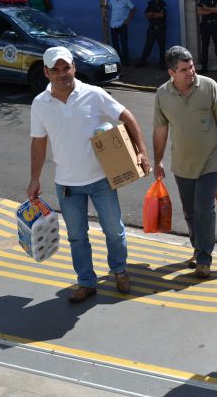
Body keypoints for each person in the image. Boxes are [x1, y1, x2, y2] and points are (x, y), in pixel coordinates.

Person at [27, 46, 151, 303]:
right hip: (67, 185)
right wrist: (35, 178)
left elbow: (127, 116)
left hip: (101, 180)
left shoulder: (93, 94)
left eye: (66, 68)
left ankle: (119, 271)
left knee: (114, 232)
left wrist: (142, 152)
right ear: (46, 72)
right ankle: (86, 282)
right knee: (77, 237)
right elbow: (39, 143)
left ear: (74, 67)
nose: (62, 74)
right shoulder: (40, 104)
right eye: (56, 70)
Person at [153, 46, 217, 278]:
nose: (190, 72)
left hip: (210, 161)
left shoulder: (209, 86)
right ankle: (197, 247)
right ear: (171, 73)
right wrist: (158, 161)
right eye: (184, 70)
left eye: (191, 67)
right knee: (190, 212)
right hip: (182, 164)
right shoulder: (162, 94)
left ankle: (204, 258)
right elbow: (160, 130)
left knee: (204, 209)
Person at [136, 0, 167, 70]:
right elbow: (146, 14)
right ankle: (142, 62)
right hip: (152, 29)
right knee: (148, 46)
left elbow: (162, 15)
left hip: (161, 29)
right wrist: (155, 14)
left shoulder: (163, 4)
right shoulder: (150, 3)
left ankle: (162, 64)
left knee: (162, 47)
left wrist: (152, 14)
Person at [109, 0, 136, 66]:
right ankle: (118, 59)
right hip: (113, 25)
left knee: (124, 43)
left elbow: (133, 9)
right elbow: (108, 6)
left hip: (122, 25)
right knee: (115, 43)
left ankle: (126, 60)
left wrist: (128, 20)